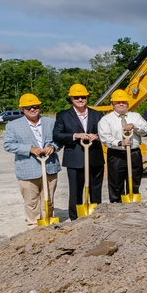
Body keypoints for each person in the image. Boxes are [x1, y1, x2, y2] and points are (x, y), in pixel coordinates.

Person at [3, 93, 60, 227]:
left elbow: (59, 139)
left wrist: (53, 146)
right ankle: (34, 225)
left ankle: (48, 223)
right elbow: (8, 144)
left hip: (49, 166)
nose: (32, 110)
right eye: (28, 108)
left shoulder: (51, 122)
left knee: (49, 199)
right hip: (27, 168)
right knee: (31, 201)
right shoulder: (13, 126)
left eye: (35, 106)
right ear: (23, 109)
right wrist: (29, 149)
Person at [52, 83, 104, 220]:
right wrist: (76, 135)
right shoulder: (63, 115)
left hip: (95, 157)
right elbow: (57, 135)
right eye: (76, 97)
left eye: (83, 97)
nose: (80, 100)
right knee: (75, 190)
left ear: (87, 98)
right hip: (74, 158)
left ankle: (96, 215)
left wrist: (97, 136)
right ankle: (75, 218)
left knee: (96, 190)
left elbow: (105, 133)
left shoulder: (98, 114)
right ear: (71, 99)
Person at [97, 89, 147, 202]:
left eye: (124, 102)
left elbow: (145, 130)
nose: (121, 104)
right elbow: (104, 137)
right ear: (112, 104)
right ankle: (117, 206)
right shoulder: (106, 119)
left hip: (134, 152)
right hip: (116, 154)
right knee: (116, 183)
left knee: (135, 180)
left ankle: (133, 203)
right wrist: (120, 143)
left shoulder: (135, 116)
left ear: (128, 103)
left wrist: (134, 126)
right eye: (118, 102)